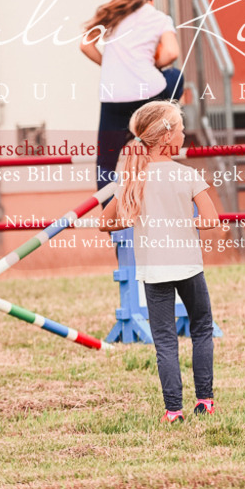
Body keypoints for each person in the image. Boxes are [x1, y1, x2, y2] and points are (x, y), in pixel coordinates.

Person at [101, 100, 220, 424]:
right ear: (168, 137)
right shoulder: (187, 175)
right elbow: (211, 220)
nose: (184, 134)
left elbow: (105, 222)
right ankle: (205, 401)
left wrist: (135, 220)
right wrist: (182, 222)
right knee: (201, 329)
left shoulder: (132, 178)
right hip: (188, 267)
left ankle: (173, 410)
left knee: (164, 340)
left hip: (154, 271)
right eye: (181, 129)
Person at [81, 0, 184, 189]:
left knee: (106, 164)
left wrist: (109, 66)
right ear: (151, 1)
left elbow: (85, 45)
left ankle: (110, 218)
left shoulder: (114, 14)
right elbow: (172, 53)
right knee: (174, 75)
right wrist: (154, 65)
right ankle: (164, 121)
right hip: (148, 94)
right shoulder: (159, 17)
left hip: (114, 98)